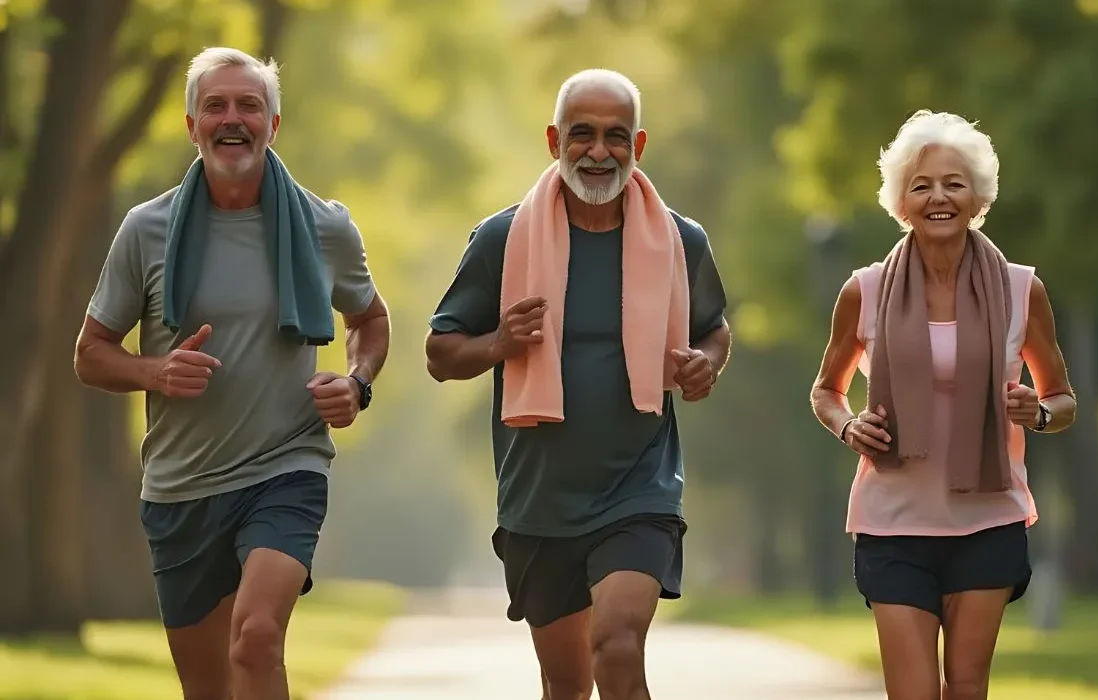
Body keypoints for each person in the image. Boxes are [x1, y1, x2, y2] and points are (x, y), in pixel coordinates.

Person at [74, 47, 390, 700]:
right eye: (215, 105)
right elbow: (91, 353)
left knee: (256, 639)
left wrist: (357, 384)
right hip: (180, 487)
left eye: (250, 104)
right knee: (209, 686)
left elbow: (372, 321)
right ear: (192, 125)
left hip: (285, 468)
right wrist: (155, 370)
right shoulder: (146, 230)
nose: (232, 118)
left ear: (274, 123)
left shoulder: (324, 226)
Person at [425, 68, 731, 700]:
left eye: (616, 136)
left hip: (638, 487)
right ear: (553, 139)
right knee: (566, 685)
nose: (599, 151)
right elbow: (440, 351)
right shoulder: (501, 239)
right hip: (540, 498)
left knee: (618, 649)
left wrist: (705, 362)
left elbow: (714, 329)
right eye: (582, 134)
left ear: (639, 146)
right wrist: (499, 344)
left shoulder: (681, 239)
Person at [810, 110, 1076, 700]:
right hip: (892, 524)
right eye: (922, 185)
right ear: (901, 200)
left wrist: (1039, 411)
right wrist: (849, 425)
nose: (939, 197)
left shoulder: (1019, 289)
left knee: (965, 688)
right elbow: (826, 391)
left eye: (954, 183)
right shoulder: (865, 289)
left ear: (976, 196)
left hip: (988, 518)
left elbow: (1062, 399)